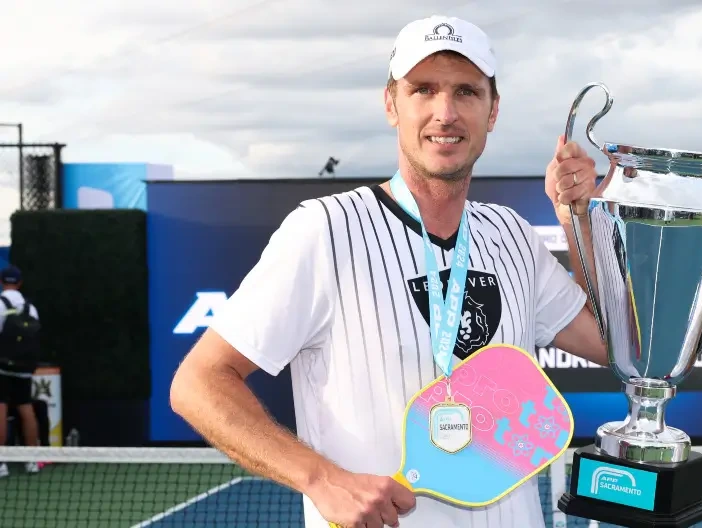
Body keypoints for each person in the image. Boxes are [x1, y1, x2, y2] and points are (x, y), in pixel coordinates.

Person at [169, 15, 607, 528]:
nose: (446, 113)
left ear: (492, 111)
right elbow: (197, 382)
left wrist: (579, 222)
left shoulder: (512, 235)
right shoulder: (324, 230)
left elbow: (615, 347)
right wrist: (320, 479)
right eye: (423, 89)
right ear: (391, 104)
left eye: (466, 92)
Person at [0, 265, 43, 478]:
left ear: (1, 282)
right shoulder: (30, 308)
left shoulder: (0, 303)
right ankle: (32, 460)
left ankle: (1, 462)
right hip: (24, 368)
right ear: (20, 283)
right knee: (26, 408)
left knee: (1, 408)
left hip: (2, 367)